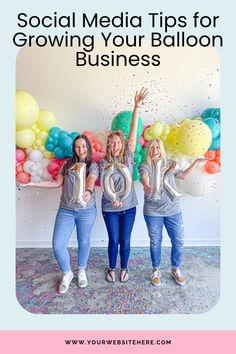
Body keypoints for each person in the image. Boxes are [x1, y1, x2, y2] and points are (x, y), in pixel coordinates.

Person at [22, 135, 98, 293]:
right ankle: (67, 273)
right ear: (74, 149)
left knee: (83, 241)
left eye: (83, 146)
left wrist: (89, 191)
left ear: (88, 147)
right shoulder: (67, 164)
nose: (81, 149)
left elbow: (91, 179)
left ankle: (82, 271)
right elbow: (56, 183)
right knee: (58, 245)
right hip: (67, 210)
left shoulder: (93, 165)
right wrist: (33, 183)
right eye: (77, 147)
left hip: (86, 211)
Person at [138, 138, 206, 287]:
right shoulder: (144, 166)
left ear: (161, 149)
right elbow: (144, 179)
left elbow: (183, 176)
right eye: (152, 148)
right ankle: (156, 270)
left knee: (179, 240)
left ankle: (175, 269)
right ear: (148, 150)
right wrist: (147, 185)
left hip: (173, 210)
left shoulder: (170, 163)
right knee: (156, 241)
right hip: (153, 211)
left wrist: (194, 163)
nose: (155, 150)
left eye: (157, 147)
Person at [100, 88, 149, 283]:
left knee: (125, 241)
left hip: (129, 207)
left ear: (123, 144)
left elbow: (134, 131)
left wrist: (136, 106)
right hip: (110, 207)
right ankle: (111, 267)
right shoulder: (104, 162)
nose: (116, 145)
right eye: (112, 143)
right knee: (114, 240)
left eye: (118, 142)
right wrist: (114, 199)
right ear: (109, 146)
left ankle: (125, 267)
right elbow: (108, 182)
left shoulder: (128, 157)